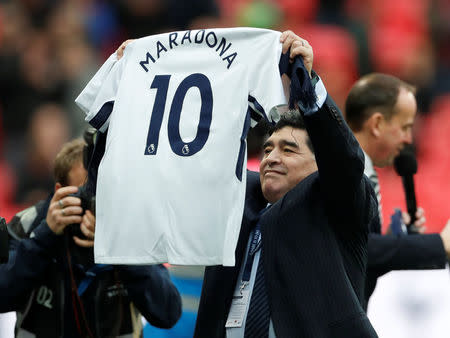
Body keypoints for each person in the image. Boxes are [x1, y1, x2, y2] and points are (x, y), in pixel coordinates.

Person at [193, 31, 379, 338]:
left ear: (321, 165)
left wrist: (306, 87)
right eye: (267, 149)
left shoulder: (338, 204)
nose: (271, 158)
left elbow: (342, 158)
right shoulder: (239, 200)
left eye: (288, 149)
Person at [0, 138, 182, 337]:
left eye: (101, 193)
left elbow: (167, 313)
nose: (94, 204)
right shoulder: (27, 225)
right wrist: (44, 238)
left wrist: (118, 247)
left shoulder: (129, 229)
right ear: (60, 191)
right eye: (85, 194)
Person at [344, 73, 450, 310]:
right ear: (378, 124)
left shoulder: (361, 172)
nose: (408, 139)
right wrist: (439, 244)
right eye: (405, 127)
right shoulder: (344, 175)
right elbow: (353, 250)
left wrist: (395, 239)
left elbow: (356, 258)